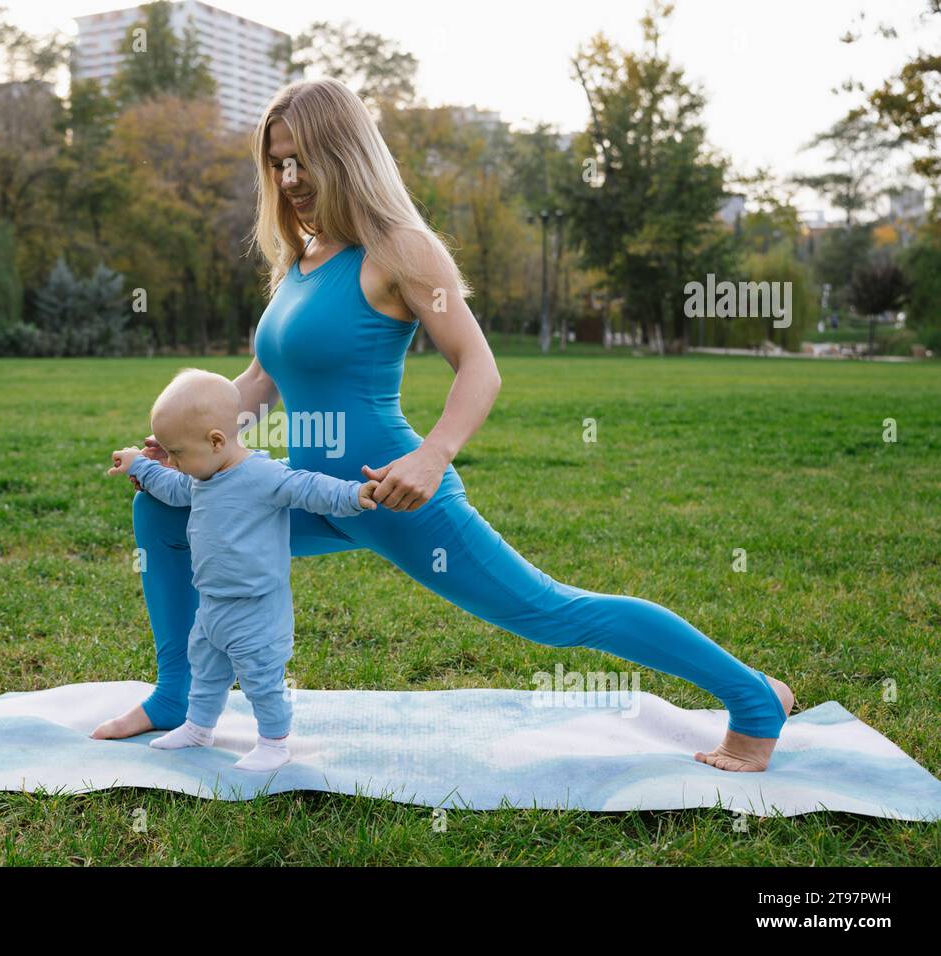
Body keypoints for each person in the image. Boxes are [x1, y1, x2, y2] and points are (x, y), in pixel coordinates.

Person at [97, 76, 794, 772]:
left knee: (550, 614)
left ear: (345, 153)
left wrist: (432, 457)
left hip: (391, 492)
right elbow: (256, 385)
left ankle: (756, 702)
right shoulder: (299, 265)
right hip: (303, 492)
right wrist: (184, 447)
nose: (290, 178)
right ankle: (174, 697)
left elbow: (478, 365)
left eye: (303, 158)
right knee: (160, 515)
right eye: (278, 163)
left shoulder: (401, 250)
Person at [106, 367, 380, 771]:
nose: (174, 463)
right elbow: (169, 487)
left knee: (262, 678)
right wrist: (137, 465)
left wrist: (356, 494)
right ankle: (199, 727)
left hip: (256, 608)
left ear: (216, 440)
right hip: (213, 604)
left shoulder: (264, 476)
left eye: (177, 453)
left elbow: (310, 488)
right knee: (205, 670)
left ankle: (274, 740)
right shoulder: (200, 479)